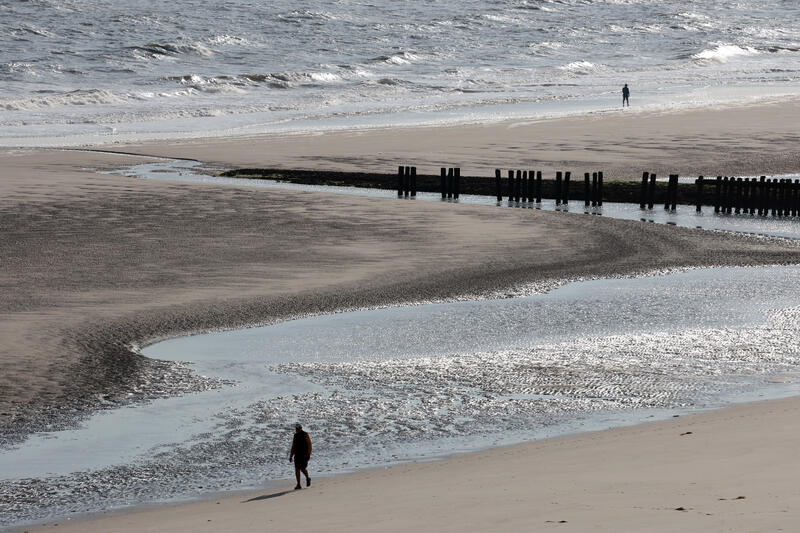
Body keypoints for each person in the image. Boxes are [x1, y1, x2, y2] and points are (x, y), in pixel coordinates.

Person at [289, 423, 312, 489]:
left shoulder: (305, 434)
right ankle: (298, 484)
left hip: (304, 455)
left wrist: (308, 454)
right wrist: (291, 456)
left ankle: (308, 478)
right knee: (297, 469)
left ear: (301, 428)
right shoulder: (295, 435)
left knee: (302, 469)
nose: (297, 430)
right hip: (297, 455)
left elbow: (309, 445)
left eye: (298, 428)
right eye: (296, 429)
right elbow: (293, 446)